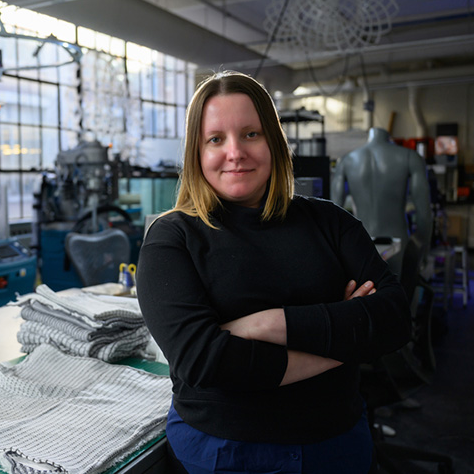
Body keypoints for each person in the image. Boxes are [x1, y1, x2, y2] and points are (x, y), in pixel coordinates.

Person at [136, 71, 411, 474]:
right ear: (196, 151)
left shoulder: (330, 222)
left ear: (274, 142)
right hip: (224, 451)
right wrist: (345, 341)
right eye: (216, 139)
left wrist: (265, 325)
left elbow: (395, 319)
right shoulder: (171, 238)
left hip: (336, 444)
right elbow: (201, 360)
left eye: (251, 134)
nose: (235, 152)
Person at [331, 127, 433, 275]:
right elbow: (424, 213)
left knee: (366, 294)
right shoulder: (410, 157)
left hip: (361, 241)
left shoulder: (347, 160)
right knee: (399, 294)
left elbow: (334, 212)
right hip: (398, 243)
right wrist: (423, 249)